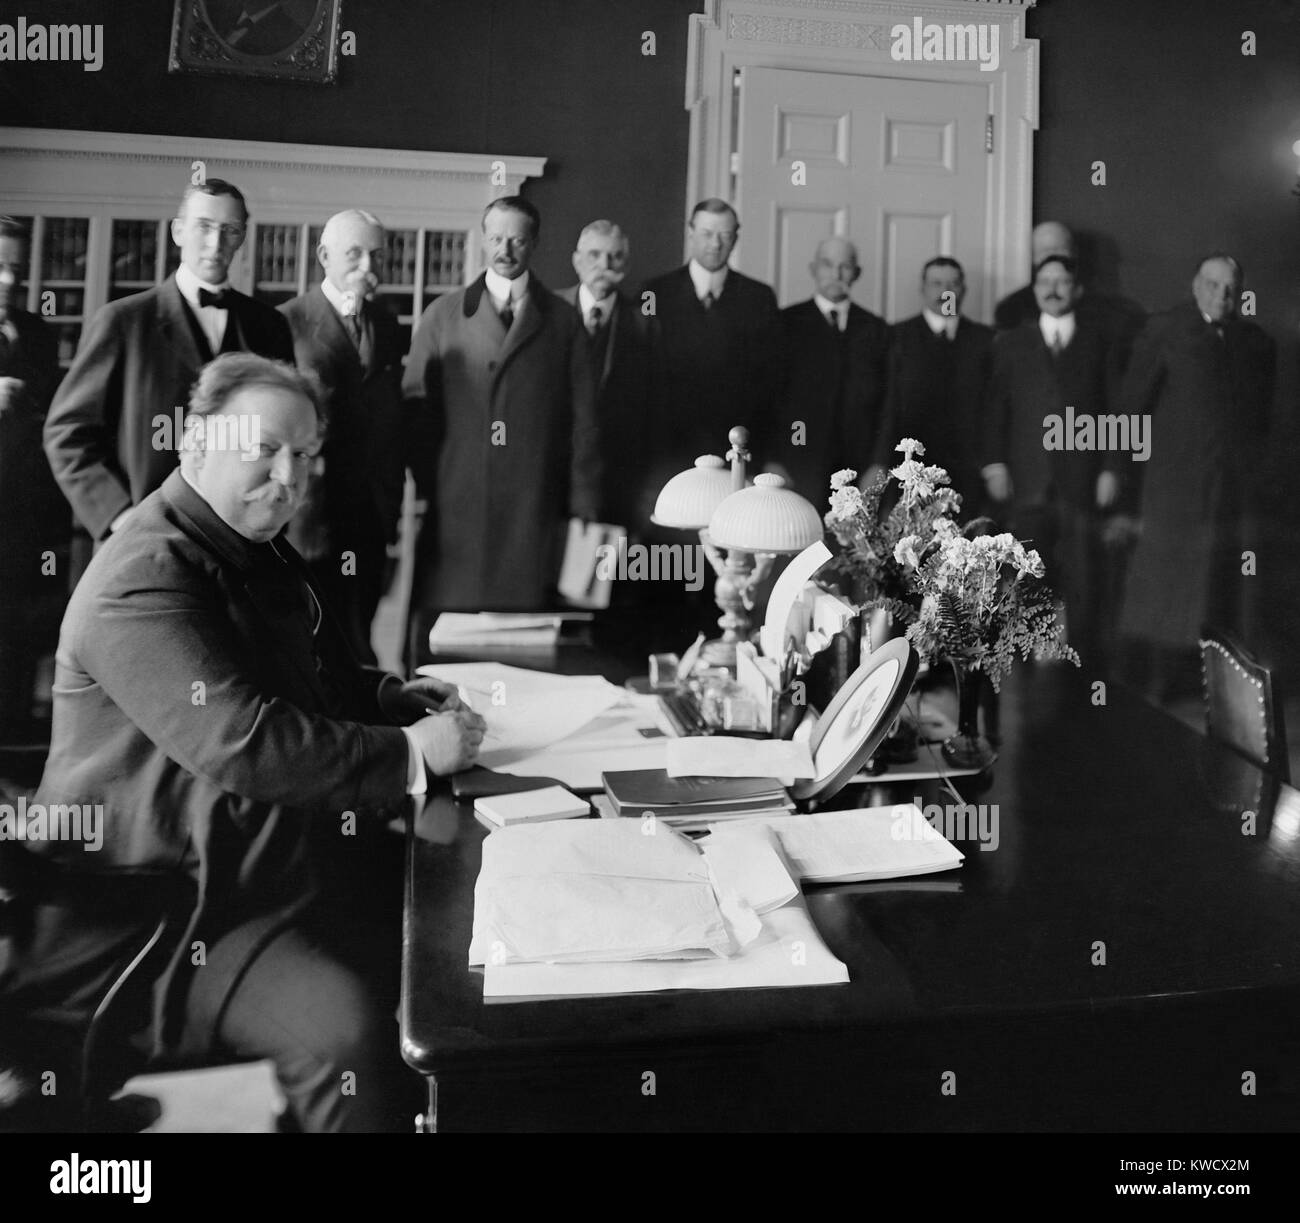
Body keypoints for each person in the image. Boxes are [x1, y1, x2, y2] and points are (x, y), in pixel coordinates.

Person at [0, 353, 486, 1133]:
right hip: (160, 905)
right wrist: (411, 753)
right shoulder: (142, 572)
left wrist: (389, 696)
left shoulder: (242, 543)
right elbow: (247, 737)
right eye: (264, 447)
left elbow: (304, 674)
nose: (289, 475)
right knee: (344, 1035)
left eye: (304, 454)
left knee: (457, 918)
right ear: (196, 444)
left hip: (261, 857)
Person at [401, 196, 601, 661]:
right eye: (495, 238)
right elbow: (414, 413)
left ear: (534, 243)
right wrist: (439, 482)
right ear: (483, 240)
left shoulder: (564, 321)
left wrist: (582, 507)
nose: (504, 249)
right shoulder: (443, 315)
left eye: (517, 239)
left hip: (536, 507)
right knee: (448, 644)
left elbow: (585, 424)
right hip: (457, 508)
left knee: (525, 645)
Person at [43, 178, 293, 545]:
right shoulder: (124, 320)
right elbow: (67, 432)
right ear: (178, 231)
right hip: (142, 538)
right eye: (203, 227)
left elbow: (283, 430)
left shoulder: (270, 326)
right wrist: (119, 516)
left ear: (242, 237)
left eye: (230, 230)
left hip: (240, 538)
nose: (215, 243)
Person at [1117, 253, 1276, 697]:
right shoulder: (1166, 330)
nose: (1222, 296)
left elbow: (1261, 418)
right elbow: (1131, 408)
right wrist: (1121, 476)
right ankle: (1159, 684)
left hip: (1231, 489)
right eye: (1213, 285)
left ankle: (1224, 690)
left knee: (1226, 584)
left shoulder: (1254, 343)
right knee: (1168, 585)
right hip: (1174, 486)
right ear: (1196, 286)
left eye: (1231, 289)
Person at [279, 209, 405, 664]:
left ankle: (367, 729)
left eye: (377, 256)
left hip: (370, 513)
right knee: (312, 641)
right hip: (309, 515)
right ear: (324, 256)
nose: (368, 268)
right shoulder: (286, 323)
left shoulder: (389, 327)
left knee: (361, 637)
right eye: (354, 255)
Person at [982, 255, 1121, 661]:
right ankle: (1020, 662)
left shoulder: (1100, 342)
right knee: (1024, 578)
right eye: (1045, 280)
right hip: (1027, 480)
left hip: (1082, 480)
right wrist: (994, 464)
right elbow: (994, 408)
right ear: (1035, 288)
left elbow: (1116, 410)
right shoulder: (1010, 343)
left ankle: (1084, 668)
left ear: (1076, 290)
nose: (1054, 288)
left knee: (1084, 578)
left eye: (1062, 280)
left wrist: (1112, 468)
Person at [642, 199, 782, 492]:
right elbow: (641, 380)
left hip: (735, 451)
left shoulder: (759, 298)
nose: (715, 244)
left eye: (725, 235)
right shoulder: (654, 294)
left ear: (736, 238)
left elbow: (771, 384)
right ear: (690, 233)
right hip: (666, 452)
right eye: (707, 233)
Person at [0, 216, 66, 741]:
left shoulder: (38, 334)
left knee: (16, 642)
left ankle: (12, 752)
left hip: (22, 520)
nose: (8, 281)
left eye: (17, 269)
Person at [773, 236, 888, 504]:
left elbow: (888, 403)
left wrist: (879, 462)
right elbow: (770, 397)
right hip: (798, 457)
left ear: (856, 273)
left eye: (845, 266)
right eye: (827, 264)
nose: (836, 274)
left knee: (853, 542)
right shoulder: (786, 323)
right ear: (813, 269)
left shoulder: (876, 328)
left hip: (859, 465)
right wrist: (774, 459)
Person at [874, 256, 993, 514]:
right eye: (936, 283)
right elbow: (886, 406)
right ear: (923, 288)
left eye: (952, 283)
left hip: (970, 472)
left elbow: (995, 407)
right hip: (911, 470)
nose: (945, 291)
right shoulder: (896, 337)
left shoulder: (986, 341)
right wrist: (879, 463)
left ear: (963, 290)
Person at [555, 219, 651, 533]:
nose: (603, 265)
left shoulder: (645, 323)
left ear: (627, 262)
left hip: (620, 480)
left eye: (615, 257)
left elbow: (656, 410)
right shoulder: (547, 315)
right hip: (555, 473)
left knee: (610, 576)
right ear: (577, 261)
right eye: (594, 255)